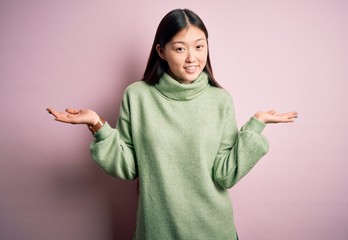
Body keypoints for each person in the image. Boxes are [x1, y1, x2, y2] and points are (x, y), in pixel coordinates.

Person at [47, 8, 298, 240]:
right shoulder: (138, 96)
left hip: (212, 230)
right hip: (157, 231)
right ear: (161, 51)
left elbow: (225, 174)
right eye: (180, 49)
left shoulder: (220, 100)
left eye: (200, 46)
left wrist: (255, 126)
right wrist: (97, 124)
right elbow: (128, 167)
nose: (192, 58)